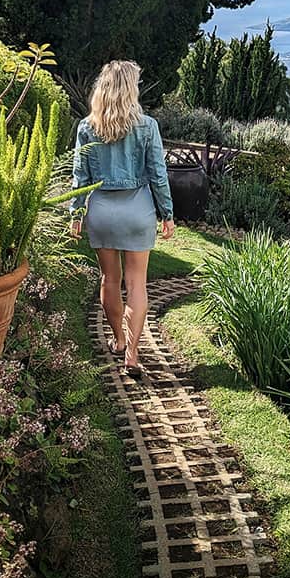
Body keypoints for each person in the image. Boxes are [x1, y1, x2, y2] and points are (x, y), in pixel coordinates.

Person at [70, 60, 175, 377]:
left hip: (101, 211)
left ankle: (117, 339)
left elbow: (79, 176)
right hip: (137, 211)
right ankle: (132, 353)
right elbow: (158, 175)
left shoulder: (87, 127)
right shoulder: (147, 126)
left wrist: (76, 214)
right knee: (136, 284)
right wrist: (167, 214)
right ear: (131, 90)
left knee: (110, 280)